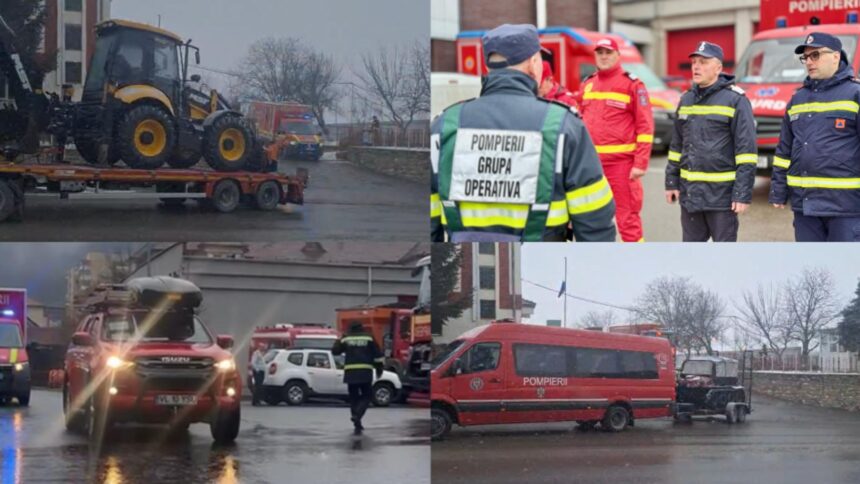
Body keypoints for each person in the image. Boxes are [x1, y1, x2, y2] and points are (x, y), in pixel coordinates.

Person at [430, 23, 616, 242]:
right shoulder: (564, 126)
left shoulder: (443, 126)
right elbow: (594, 221)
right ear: (533, 63)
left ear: (490, 67)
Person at [770, 32, 860, 241]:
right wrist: (778, 189)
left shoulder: (855, 95)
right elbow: (784, 149)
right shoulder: (797, 99)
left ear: (836, 56)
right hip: (805, 207)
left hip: (846, 207)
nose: (809, 62)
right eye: (806, 57)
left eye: (816, 55)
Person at [665, 41, 756, 242]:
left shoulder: (736, 100)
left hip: (721, 199)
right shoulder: (686, 100)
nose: (696, 67)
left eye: (703, 62)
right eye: (694, 62)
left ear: (718, 68)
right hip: (690, 196)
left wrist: (741, 193)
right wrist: (671, 182)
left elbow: (747, 152)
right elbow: (676, 146)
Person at [575, 37, 654, 242]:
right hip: (591, 165)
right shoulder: (588, 84)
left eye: (608, 52)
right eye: (600, 52)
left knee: (627, 220)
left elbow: (645, 126)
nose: (603, 56)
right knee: (591, 219)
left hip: (622, 165)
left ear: (618, 55)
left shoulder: (632, 84)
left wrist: (640, 163)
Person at [331, 322, 383, 435]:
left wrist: (339, 339)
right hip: (365, 372)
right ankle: (357, 416)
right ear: (361, 327)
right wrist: (379, 369)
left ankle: (357, 422)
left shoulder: (346, 338)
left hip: (351, 373)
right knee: (367, 396)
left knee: (353, 398)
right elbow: (378, 355)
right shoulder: (368, 337)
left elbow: (335, 351)